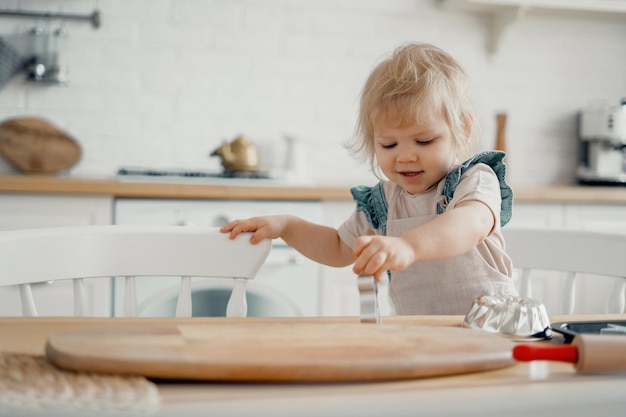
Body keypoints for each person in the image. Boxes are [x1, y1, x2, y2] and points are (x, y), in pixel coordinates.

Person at [221, 42, 518, 315]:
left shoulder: (474, 180)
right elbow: (339, 247)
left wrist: (409, 247)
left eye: (424, 141)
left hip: (492, 329)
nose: (405, 157)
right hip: (421, 337)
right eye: (389, 145)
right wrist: (288, 226)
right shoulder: (384, 203)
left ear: (463, 130)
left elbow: (469, 224)